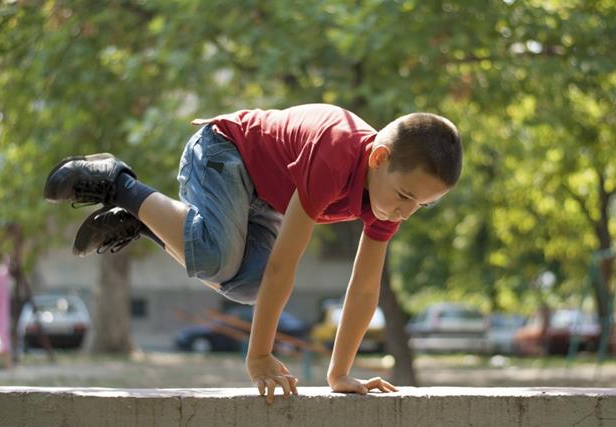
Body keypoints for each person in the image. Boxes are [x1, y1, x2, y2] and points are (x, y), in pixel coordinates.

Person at [44, 103, 462, 403]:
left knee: (249, 287)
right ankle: (117, 182)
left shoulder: (388, 202)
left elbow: (364, 289)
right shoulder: (336, 153)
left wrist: (340, 374)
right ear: (378, 157)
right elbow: (285, 262)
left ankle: (143, 218)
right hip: (223, 153)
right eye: (406, 196)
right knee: (216, 260)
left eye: (420, 206)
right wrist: (259, 355)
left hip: (262, 199)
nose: (406, 212)